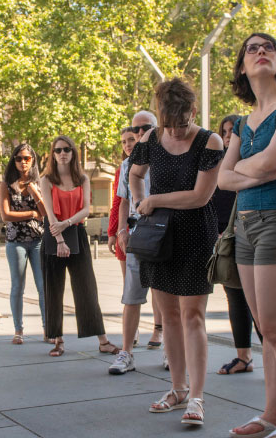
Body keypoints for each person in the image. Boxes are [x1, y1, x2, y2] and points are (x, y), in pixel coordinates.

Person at [219, 32, 276, 438]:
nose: (261, 52)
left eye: (268, 48)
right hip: (246, 225)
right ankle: (273, 414)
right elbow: (222, 179)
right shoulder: (241, 121)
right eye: (252, 49)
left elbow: (275, 161)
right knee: (266, 329)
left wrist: (246, 169)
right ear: (242, 66)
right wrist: (250, 173)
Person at [129, 78, 225, 427]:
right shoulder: (150, 138)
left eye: (182, 123)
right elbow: (135, 175)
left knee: (193, 316)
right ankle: (178, 389)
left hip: (196, 233)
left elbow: (201, 196)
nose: (177, 131)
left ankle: (197, 397)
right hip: (159, 237)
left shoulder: (209, 141)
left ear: (193, 111)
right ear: (161, 116)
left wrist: (154, 200)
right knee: (168, 316)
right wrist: (140, 200)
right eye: (171, 124)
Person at [39, 135, 119, 357]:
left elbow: (86, 210)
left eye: (67, 149)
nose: (62, 153)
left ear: (73, 152)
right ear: (52, 154)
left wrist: (67, 223)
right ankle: (58, 340)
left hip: (76, 231)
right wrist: (60, 240)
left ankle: (103, 341)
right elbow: (50, 213)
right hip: (53, 234)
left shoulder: (82, 178)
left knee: (87, 288)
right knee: (53, 289)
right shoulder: (46, 180)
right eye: (58, 150)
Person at [107, 112, 166, 376]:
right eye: (136, 128)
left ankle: (170, 352)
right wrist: (121, 229)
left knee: (166, 295)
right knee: (131, 296)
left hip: (164, 233)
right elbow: (123, 200)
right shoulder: (129, 163)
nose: (140, 133)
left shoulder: (167, 156)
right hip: (137, 233)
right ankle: (126, 353)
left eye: (146, 128)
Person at [211, 114, 265, 376]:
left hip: (252, 235)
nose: (228, 135)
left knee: (260, 299)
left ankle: (274, 355)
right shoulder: (219, 165)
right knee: (235, 296)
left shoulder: (250, 162)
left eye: (233, 130)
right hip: (224, 239)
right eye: (225, 131)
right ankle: (243, 357)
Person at [0, 143, 47, 344]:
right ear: (14, 161)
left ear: (33, 160)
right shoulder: (7, 183)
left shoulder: (41, 182)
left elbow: (46, 214)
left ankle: (48, 329)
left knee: (43, 286)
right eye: (19, 158)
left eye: (27, 158)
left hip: (38, 241)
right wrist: (32, 213)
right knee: (17, 287)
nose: (23, 162)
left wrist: (36, 194)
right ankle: (18, 330)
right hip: (15, 242)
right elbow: (6, 215)